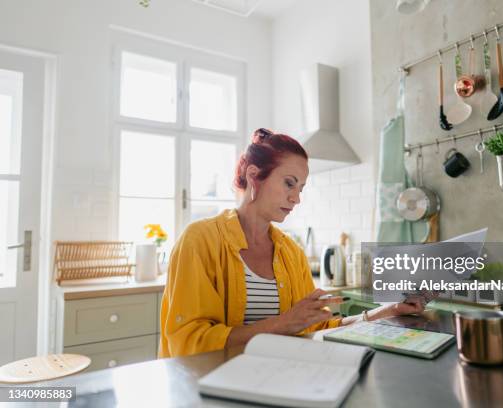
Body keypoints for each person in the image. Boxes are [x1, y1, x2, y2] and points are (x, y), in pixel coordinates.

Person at [158, 128, 424, 358]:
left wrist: (384, 312)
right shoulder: (200, 240)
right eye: (289, 183)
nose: (296, 198)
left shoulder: (291, 253)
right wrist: (283, 323)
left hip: (277, 381)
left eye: (301, 188)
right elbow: (188, 342)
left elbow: (314, 330)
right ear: (253, 176)